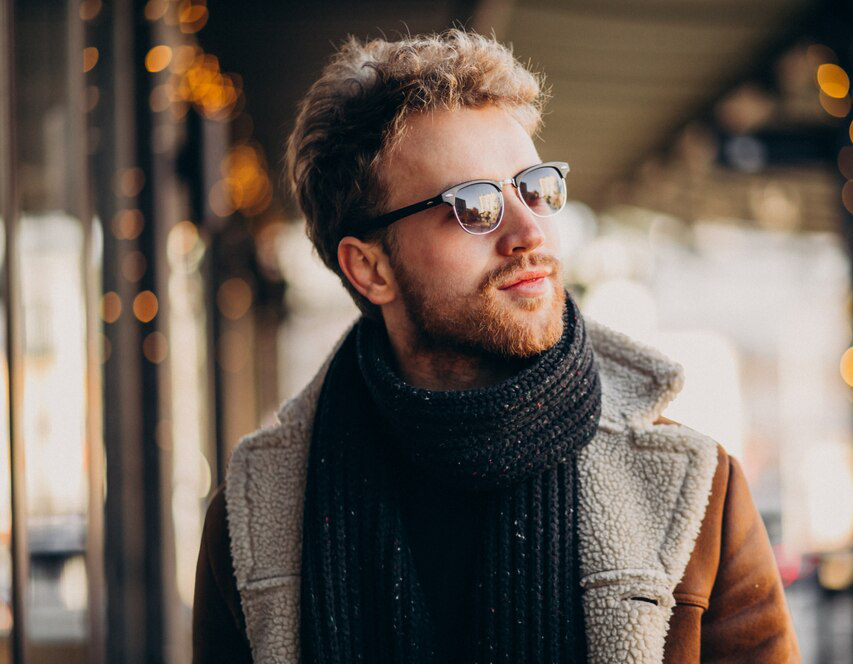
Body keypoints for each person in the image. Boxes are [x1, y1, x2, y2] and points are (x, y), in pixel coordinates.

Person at [192, 28, 799, 664]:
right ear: (369, 269)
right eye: (475, 205)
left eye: (534, 186)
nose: (530, 231)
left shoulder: (698, 490)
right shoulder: (255, 515)